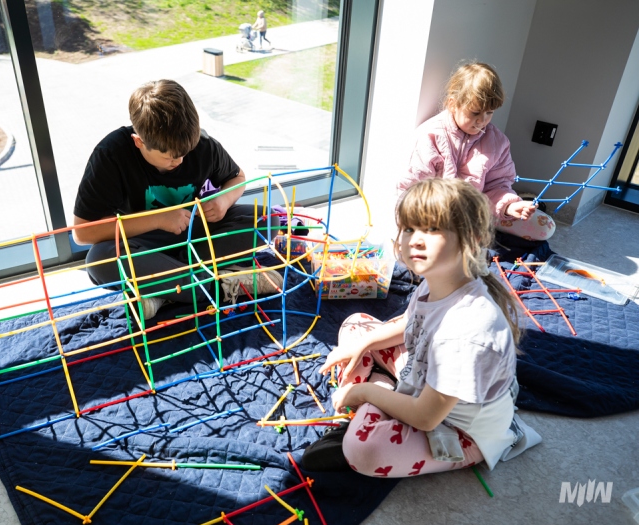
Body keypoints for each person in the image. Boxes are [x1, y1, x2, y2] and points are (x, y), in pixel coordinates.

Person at [301, 179, 541, 476]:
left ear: (474, 238)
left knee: (365, 450)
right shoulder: (437, 280)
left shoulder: (469, 331)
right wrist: (361, 346)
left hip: (457, 426)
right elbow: (409, 324)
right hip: (422, 379)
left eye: (432, 229)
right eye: (409, 228)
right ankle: (384, 394)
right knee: (356, 327)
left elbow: (426, 417)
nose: (414, 240)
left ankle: (376, 401)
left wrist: (363, 392)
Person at [73, 80, 281, 319]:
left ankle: (164, 288)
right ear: (139, 142)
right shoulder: (111, 155)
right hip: (142, 245)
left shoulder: (202, 146)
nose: (180, 161)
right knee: (99, 260)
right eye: (170, 157)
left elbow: (238, 178)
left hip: (193, 235)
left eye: (185, 152)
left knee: (268, 220)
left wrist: (223, 201)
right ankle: (217, 287)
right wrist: (158, 219)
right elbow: (82, 233)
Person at [398, 62, 555, 242]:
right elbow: (413, 189)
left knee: (545, 226)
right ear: (453, 104)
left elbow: (498, 185)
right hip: (436, 216)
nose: (482, 121)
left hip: (479, 211)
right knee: (449, 242)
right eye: (475, 113)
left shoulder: (498, 142)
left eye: (489, 113)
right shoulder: (431, 136)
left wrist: (510, 207)